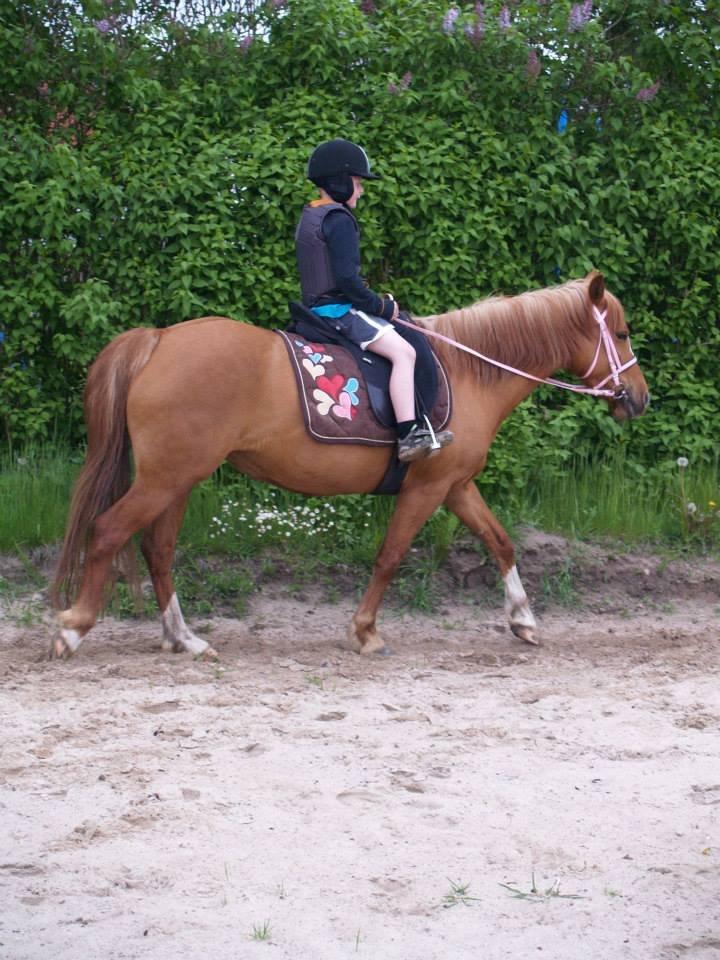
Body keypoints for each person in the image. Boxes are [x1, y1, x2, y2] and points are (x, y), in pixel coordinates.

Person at [295, 138, 453, 464]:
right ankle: (409, 434)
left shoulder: (311, 214)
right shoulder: (338, 219)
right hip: (337, 310)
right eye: (356, 183)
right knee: (405, 352)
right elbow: (348, 281)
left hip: (315, 308)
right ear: (339, 183)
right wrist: (383, 307)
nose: (361, 191)